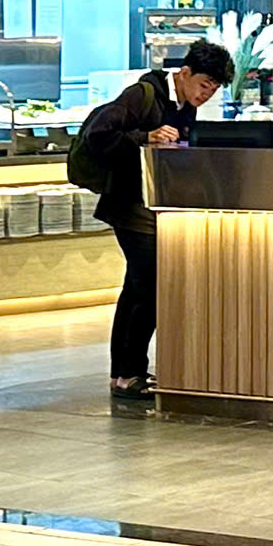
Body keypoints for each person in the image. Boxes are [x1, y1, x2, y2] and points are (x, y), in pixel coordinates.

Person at [79, 40, 235, 401]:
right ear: (185, 73)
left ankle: (126, 371)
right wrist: (143, 137)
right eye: (203, 85)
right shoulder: (143, 94)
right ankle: (127, 373)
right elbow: (97, 134)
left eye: (213, 89)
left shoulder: (184, 105)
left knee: (140, 289)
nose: (206, 94)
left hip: (155, 208)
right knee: (146, 287)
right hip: (130, 207)